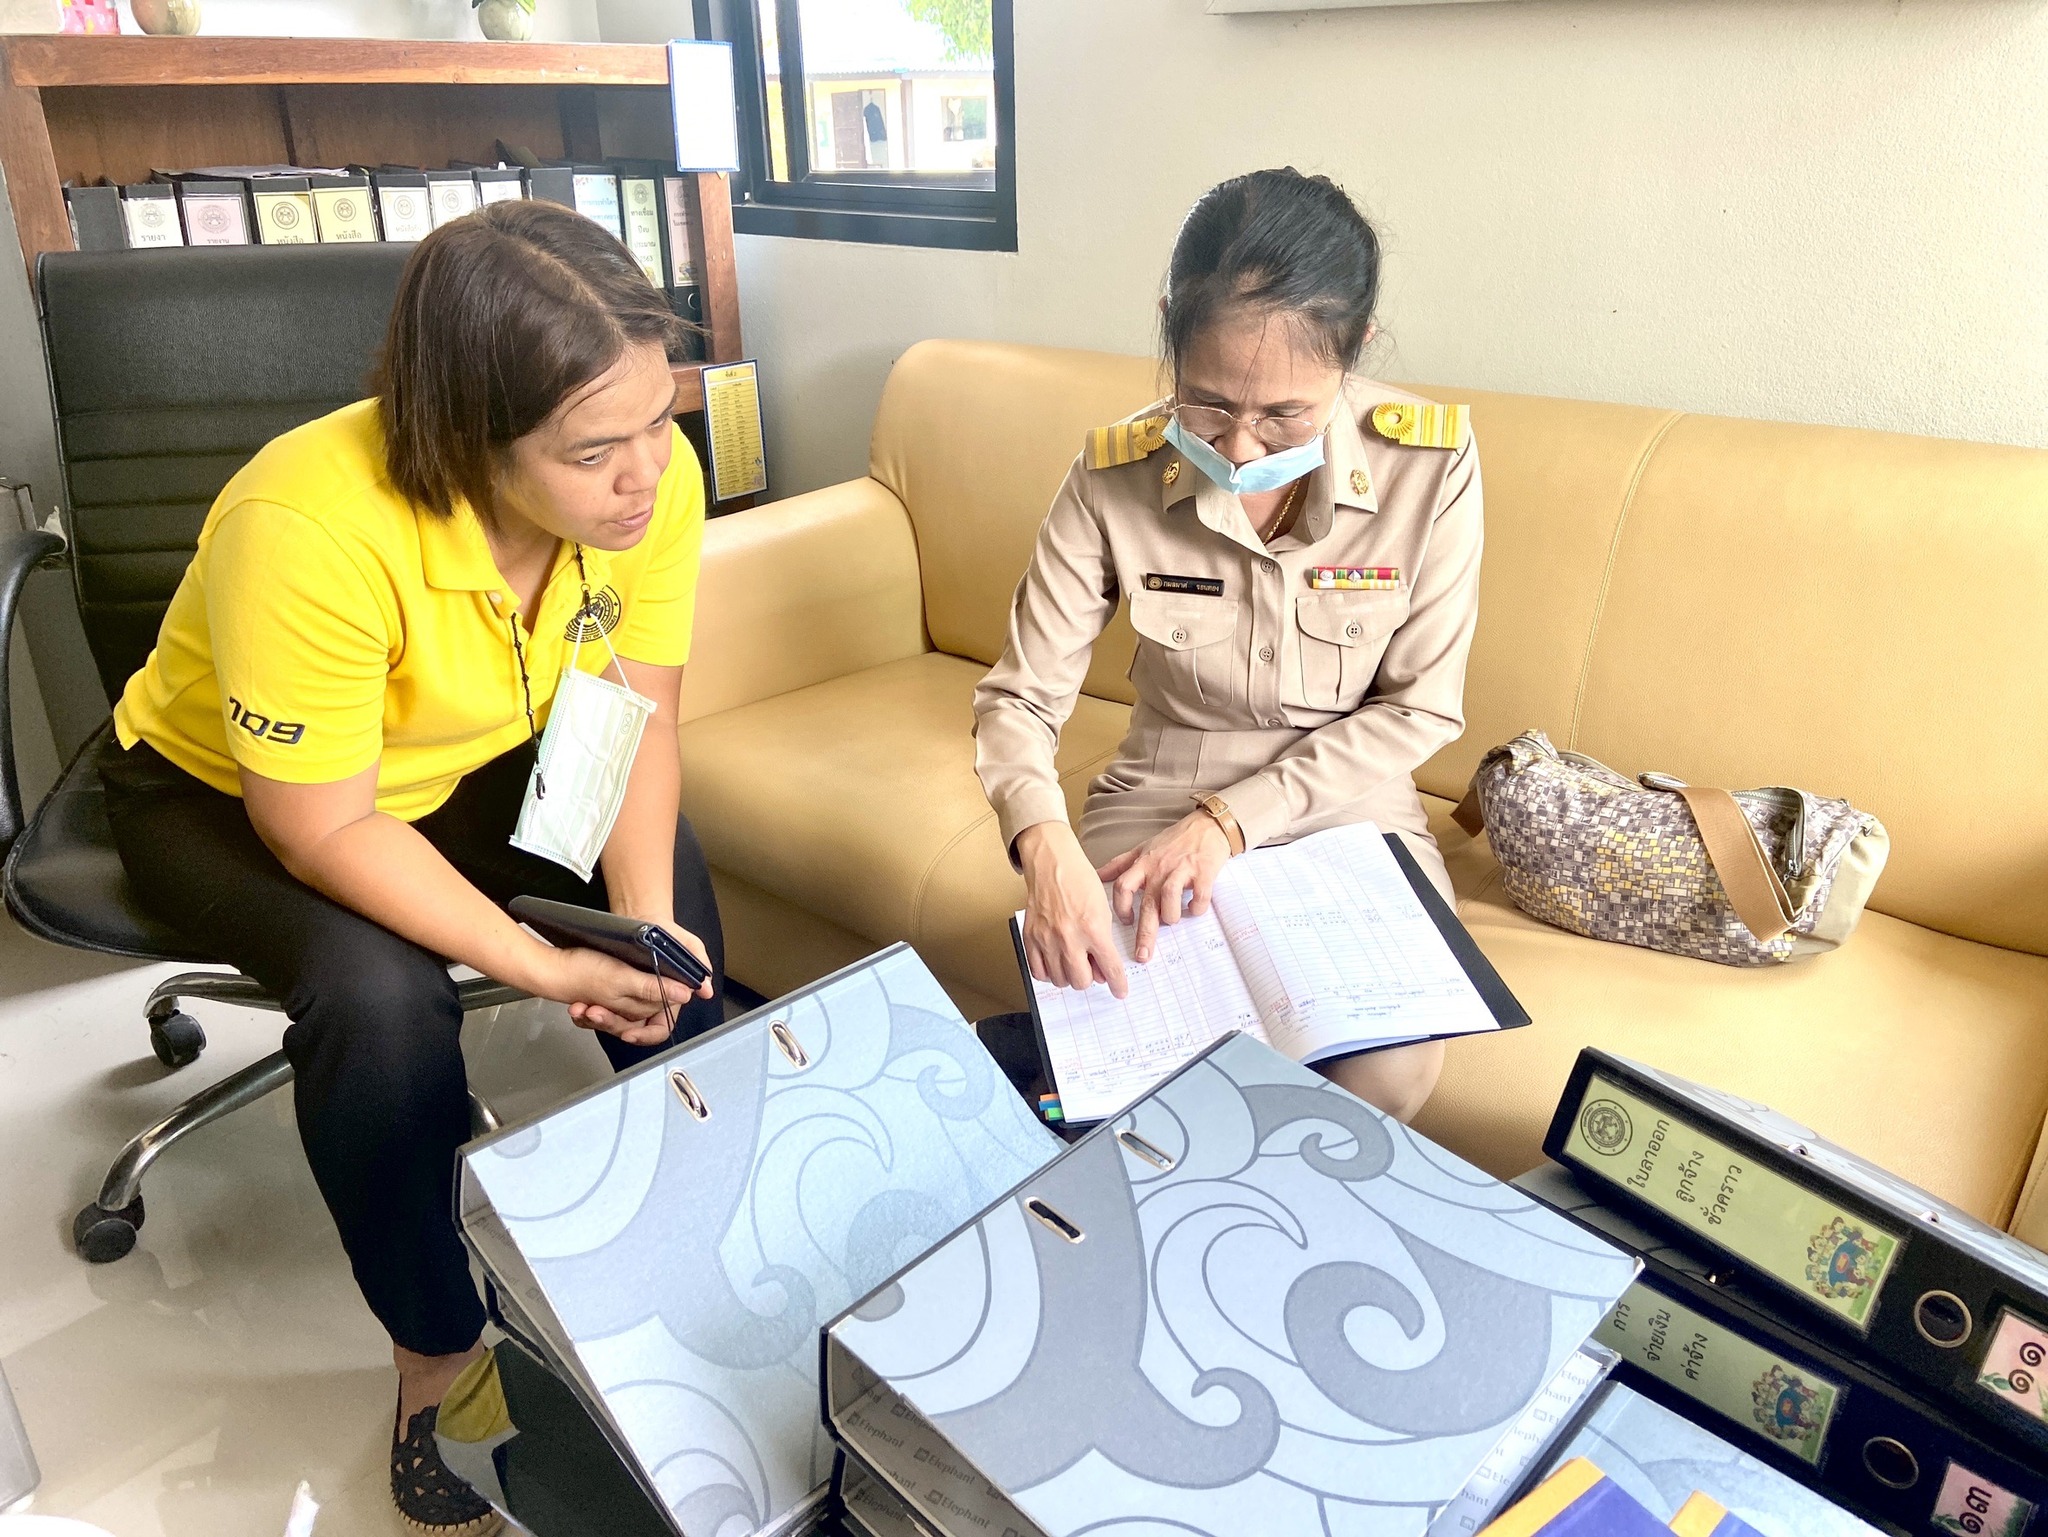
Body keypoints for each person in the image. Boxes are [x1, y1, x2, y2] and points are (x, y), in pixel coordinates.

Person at [99, 199, 722, 1535]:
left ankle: (705, 1223)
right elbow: (321, 827)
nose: (646, 474)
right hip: (229, 799)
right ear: (464, 438)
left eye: (659, 418)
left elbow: (633, 715)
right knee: (381, 1002)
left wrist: (639, 931)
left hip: (463, 752)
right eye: (595, 451)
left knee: (671, 910)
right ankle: (436, 1355)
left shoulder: (648, 478)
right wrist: (541, 964)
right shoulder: (307, 523)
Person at [973, 167, 1482, 1122]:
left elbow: (1418, 706)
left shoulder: (1430, 462)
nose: (1241, 448)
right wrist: (1044, 849)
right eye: (1207, 404)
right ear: (1169, 327)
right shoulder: (1114, 472)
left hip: (1348, 795)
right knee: (1139, 1050)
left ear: (1357, 349)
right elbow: (1020, 697)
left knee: (1386, 1068)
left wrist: (1231, 823)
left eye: (1285, 414)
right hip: (1163, 787)